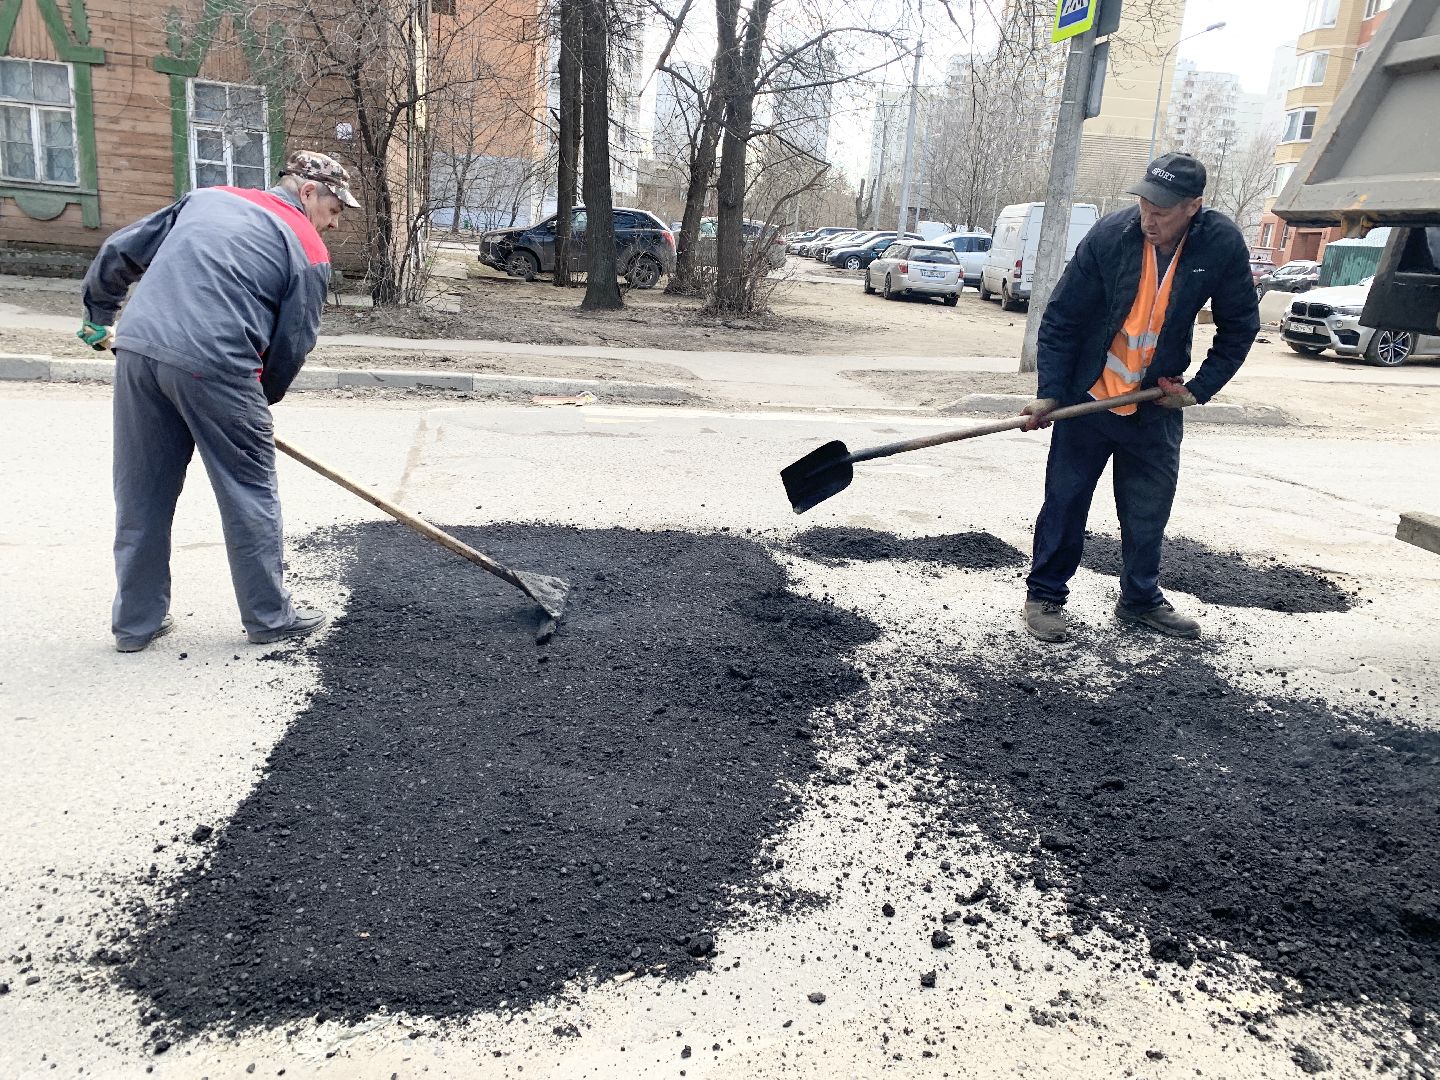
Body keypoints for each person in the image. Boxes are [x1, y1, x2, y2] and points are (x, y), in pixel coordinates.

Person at [78, 151, 360, 653]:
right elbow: (292, 343)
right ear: (308, 191)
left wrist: (98, 316)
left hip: (139, 350)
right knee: (248, 490)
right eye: (335, 210)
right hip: (218, 362)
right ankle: (270, 618)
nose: (334, 224)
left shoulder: (207, 199)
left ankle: (134, 626)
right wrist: (256, 403)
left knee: (142, 491)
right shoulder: (307, 246)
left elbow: (121, 250)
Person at [1020, 153, 1260, 643]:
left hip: (1155, 403)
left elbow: (1240, 326)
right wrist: (1049, 393)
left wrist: (1198, 390)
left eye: (1164, 209)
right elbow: (1062, 317)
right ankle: (1045, 595)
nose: (1150, 217)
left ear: (1194, 206)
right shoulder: (1111, 237)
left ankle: (1140, 601)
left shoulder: (1220, 244)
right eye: (1145, 203)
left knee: (1148, 508)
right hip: (1087, 399)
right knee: (1065, 503)